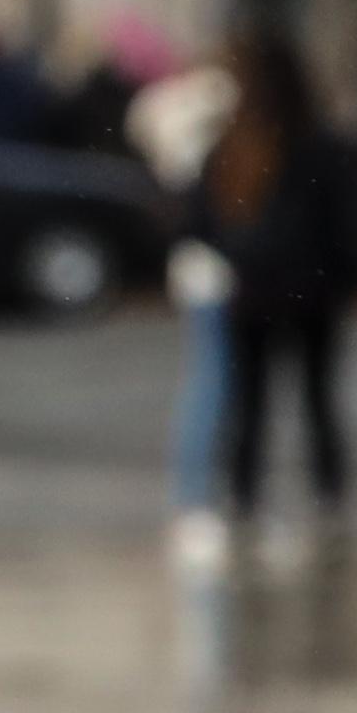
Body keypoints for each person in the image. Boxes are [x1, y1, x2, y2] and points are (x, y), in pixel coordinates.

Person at [193, 33, 357, 543]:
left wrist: (240, 252)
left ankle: (246, 497)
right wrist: (347, 275)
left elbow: (200, 220)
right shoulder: (320, 146)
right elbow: (345, 223)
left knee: (251, 402)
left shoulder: (234, 145)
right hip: (311, 293)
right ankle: (327, 495)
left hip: (254, 291)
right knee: (316, 399)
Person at [128, 42, 243, 521]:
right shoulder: (209, 121)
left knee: (210, 377)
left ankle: (197, 483)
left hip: (197, 272)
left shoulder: (165, 121)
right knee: (216, 380)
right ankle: (198, 486)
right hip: (218, 270)